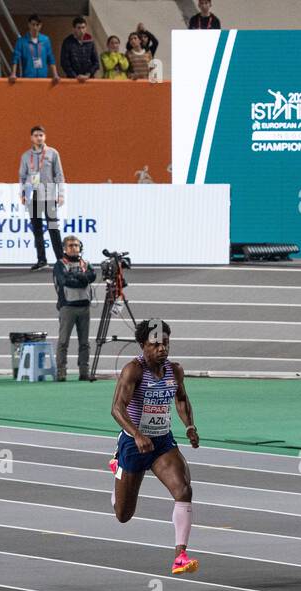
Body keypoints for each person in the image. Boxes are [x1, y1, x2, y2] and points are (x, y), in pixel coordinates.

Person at [108, 319, 202, 574]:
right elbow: (117, 408)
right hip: (133, 444)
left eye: (166, 343)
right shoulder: (133, 370)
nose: (162, 349)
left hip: (162, 442)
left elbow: (181, 399)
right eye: (156, 344)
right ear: (142, 345)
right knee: (123, 514)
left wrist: (189, 427)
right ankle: (117, 466)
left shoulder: (175, 370)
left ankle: (180, 555)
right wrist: (136, 434)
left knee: (183, 490)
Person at [19, 125, 66, 271]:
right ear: (31, 138)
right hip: (34, 195)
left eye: (41, 135)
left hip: (50, 193)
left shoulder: (52, 153)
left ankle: (60, 260)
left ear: (44, 137)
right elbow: (22, 176)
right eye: (36, 135)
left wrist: (61, 193)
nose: (38, 137)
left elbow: (59, 174)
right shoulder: (26, 156)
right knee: (37, 229)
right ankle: (42, 260)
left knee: (53, 228)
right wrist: (22, 194)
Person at [53, 236, 96, 382]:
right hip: (68, 307)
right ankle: (61, 371)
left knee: (85, 342)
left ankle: (84, 371)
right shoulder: (60, 264)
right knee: (63, 341)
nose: (74, 248)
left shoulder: (85, 263)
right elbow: (65, 281)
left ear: (80, 247)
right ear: (65, 248)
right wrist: (82, 279)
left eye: (76, 245)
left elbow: (92, 276)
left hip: (84, 306)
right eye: (70, 246)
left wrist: (78, 276)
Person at [9, 14, 60, 84]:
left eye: (37, 25)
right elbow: (15, 58)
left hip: (43, 79)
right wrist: (13, 74)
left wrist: (55, 75)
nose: (35, 27)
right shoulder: (21, 41)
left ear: (41, 25)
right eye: (33, 24)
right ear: (29, 25)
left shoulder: (45, 40)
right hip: (27, 79)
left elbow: (50, 58)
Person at [60, 16, 99, 81]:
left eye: (83, 28)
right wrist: (75, 76)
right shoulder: (67, 42)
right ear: (74, 28)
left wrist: (88, 74)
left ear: (86, 28)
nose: (81, 30)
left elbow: (96, 62)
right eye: (79, 28)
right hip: (73, 79)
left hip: (88, 79)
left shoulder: (90, 41)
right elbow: (64, 62)